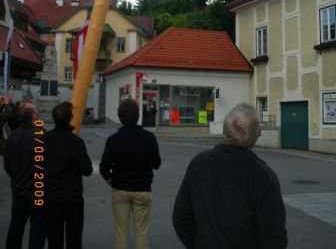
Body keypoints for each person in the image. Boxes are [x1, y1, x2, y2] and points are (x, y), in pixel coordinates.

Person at [172, 102, 288, 249]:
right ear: (258, 131)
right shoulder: (264, 177)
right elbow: (274, 238)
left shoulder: (200, 162)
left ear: (224, 129)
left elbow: (181, 218)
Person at [100, 98, 162, 249]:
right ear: (138, 115)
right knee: (141, 233)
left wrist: (112, 182)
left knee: (121, 234)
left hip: (120, 190)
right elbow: (157, 164)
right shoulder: (149, 138)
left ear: (120, 117)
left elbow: (103, 168)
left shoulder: (113, 140)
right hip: (143, 190)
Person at [44, 101, 93, 249]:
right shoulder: (76, 142)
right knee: (74, 237)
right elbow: (87, 170)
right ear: (70, 118)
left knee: (54, 237)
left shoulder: (44, 139)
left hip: (50, 194)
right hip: (72, 195)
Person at [3, 102, 46, 249]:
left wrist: (16, 178)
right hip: (38, 191)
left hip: (19, 188)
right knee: (38, 227)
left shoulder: (12, 137)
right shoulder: (42, 135)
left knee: (16, 224)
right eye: (36, 112)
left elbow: (7, 165)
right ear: (33, 116)